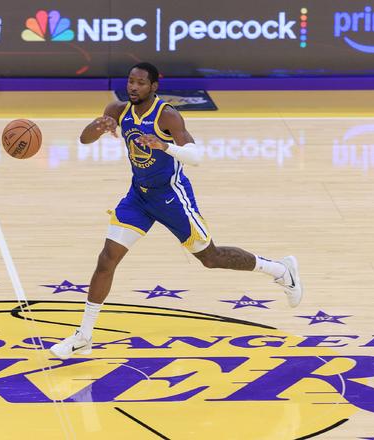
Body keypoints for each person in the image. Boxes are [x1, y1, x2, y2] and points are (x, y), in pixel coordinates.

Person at [50, 62, 303, 359]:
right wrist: (98, 127)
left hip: (172, 197)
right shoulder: (117, 110)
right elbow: (84, 139)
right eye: (131, 81)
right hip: (139, 197)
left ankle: (281, 270)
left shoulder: (167, 115)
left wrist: (164, 146)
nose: (133, 87)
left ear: (153, 87)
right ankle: (84, 336)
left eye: (140, 83)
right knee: (107, 259)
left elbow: (196, 156)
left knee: (211, 257)